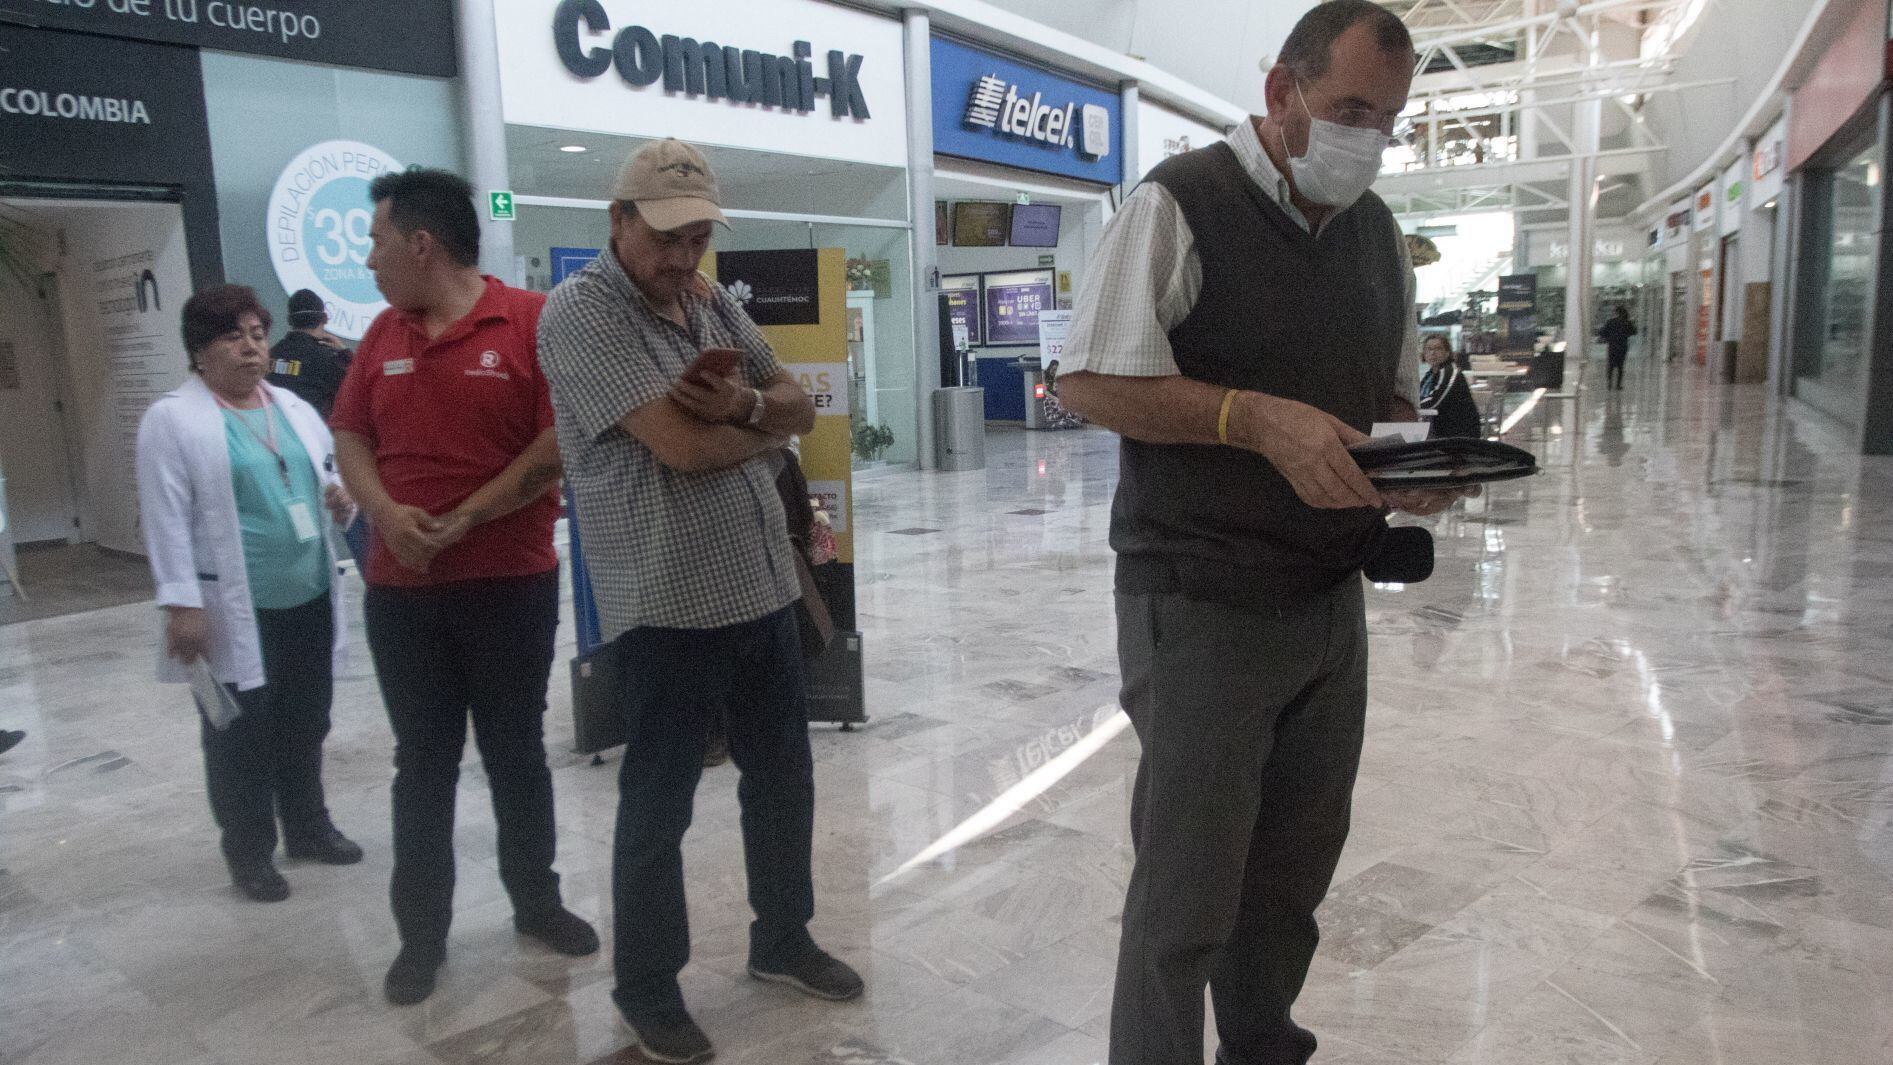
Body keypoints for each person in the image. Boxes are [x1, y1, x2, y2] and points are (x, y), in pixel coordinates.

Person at [1055, 4, 1472, 1063]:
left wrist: (1414, 465)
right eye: (1347, 111)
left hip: (1330, 603)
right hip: (1201, 599)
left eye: (1388, 120)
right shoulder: (1182, 203)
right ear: (1280, 89)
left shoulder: (1378, 234)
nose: (1366, 139)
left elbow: (1381, 394)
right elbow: (1091, 378)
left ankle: (1261, 1045)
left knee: (1290, 876)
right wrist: (1246, 418)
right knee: (1187, 892)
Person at [537, 138, 860, 1065]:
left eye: (699, 237)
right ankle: (647, 988)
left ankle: (782, 937)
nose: (684, 256)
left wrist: (747, 414)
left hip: (758, 580)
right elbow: (679, 450)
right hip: (666, 597)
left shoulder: (707, 299)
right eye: (668, 236)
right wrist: (757, 431)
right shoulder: (581, 314)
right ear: (619, 220)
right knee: (658, 802)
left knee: (783, 772)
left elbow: (797, 404)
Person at [329, 168, 597, 1007]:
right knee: (423, 763)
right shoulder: (380, 334)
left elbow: (554, 445)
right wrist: (384, 514)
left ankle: (537, 901)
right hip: (401, 592)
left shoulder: (528, 322)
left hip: (508, 585)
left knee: (516, 751)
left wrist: (463, 518)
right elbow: (349, 435)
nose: (369, 259)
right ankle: (421, 935)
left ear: (422, 243)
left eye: (376, 240)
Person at [134, 284, 361, 903]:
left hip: (309, 592)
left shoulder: (291, 406)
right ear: (199, 350)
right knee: (238, 734)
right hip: (235, 609)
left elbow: (330, 480)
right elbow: (166, 518)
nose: (250, 348)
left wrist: (342, 502)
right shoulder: (173, 419)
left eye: (257, 334)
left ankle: (309, 828)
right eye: (232, 337)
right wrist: (180, 604)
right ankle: (249, 852)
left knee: (306, 721)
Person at [267, 289, 353, 418]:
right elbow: (358, 387)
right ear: (324, 318)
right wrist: (345, 352)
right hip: (313, 434)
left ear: (290, 320)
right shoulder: (328, 359)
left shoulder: (271, 354)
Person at [1418, 334, 1482, 438]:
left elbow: (1434, 401)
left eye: (1438, 348)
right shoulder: (1430, 375)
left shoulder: (1450, 372)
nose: (1432, 353)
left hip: (1459, 436)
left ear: (1447, 352)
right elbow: (1419, 396)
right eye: (1428, 349)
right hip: (1440, 431)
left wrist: (1410, 405)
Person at [1598, 303, 1638, 390]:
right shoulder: (1627, 322)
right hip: (1623, 347)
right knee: (1620, 366)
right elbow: (1634, 331)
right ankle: (1618, 385)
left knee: (1611, 365)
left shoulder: (1611, 322)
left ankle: (1609, 383)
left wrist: (1608, 337)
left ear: (1616, 312)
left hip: (1612, 346)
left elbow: (1602, 332)